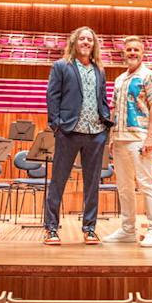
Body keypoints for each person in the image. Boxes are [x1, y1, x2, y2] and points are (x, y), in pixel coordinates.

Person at [43, 26, 112, 246]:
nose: (86, 42)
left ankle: (89, 228)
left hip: (96, 132)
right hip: (69, 132)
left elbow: (102, 98)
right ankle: (51, 228)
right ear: (74, 42)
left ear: (94, 45)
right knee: (58, 182)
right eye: (82, 39)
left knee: (92, 184)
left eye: (89, 40)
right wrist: (56, 125)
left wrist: (105, 120)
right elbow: (52, 96)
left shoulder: (99, 69)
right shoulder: (62, 66)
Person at [103, 36, 152, 248]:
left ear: (142, 52)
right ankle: (128, 230)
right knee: (124, 187)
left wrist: (150, 136)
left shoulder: (149, 76)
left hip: (139, 137)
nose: (132, 53)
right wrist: (112, 137)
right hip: (119, 139)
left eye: (136, 49)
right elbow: (114, 110)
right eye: (128, 49)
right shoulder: (119, 80)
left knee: (146, 184)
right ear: (124, 52)